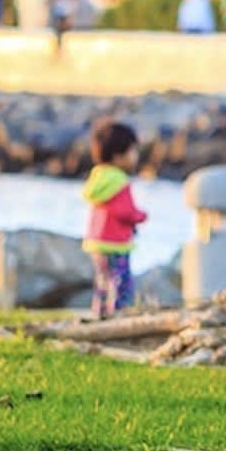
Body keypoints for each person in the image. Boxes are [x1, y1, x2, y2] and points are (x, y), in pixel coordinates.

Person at [81, 121, 148, 318]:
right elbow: (125, 212)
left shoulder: (97, 176)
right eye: (133, 151)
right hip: (116, 243)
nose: (136, 156)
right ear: (119, 156)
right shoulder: (120, 181)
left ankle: (99, 312)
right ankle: (119, 314)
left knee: (102, 280)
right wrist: (141, 216)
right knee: (121, 282)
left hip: (96, 242)